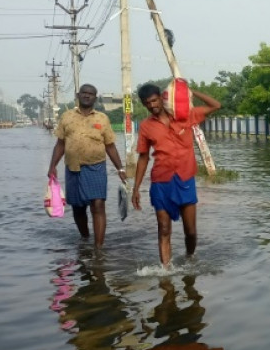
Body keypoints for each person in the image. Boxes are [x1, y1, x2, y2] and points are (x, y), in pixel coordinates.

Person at [131, 83, 221, 267]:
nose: (152, 106)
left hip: (185, 179)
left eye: (154, 100)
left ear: (161, 97)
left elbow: (215, 105)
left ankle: (189, 258)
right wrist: (136, 188)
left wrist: (190, 92)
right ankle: (166, 271)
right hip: (161, 182)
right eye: (147, 103)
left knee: (191, 231)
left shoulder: (185, 116)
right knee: (164, 229)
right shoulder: (146, 126)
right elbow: (143, 157)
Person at [48, 83, 127, 248]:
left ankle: (98, 248)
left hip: (96, 167)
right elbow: (60, 144)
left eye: (90, 94)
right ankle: (85, 239)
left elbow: (110, 146)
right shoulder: (67, 117)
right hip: (73, 168)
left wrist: (120, 168)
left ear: (95, 98)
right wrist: (52, 166)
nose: (87, 95)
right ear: (78, 95)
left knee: (98, 205)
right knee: (78, 208)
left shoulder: (102, 118)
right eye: (84, 92)